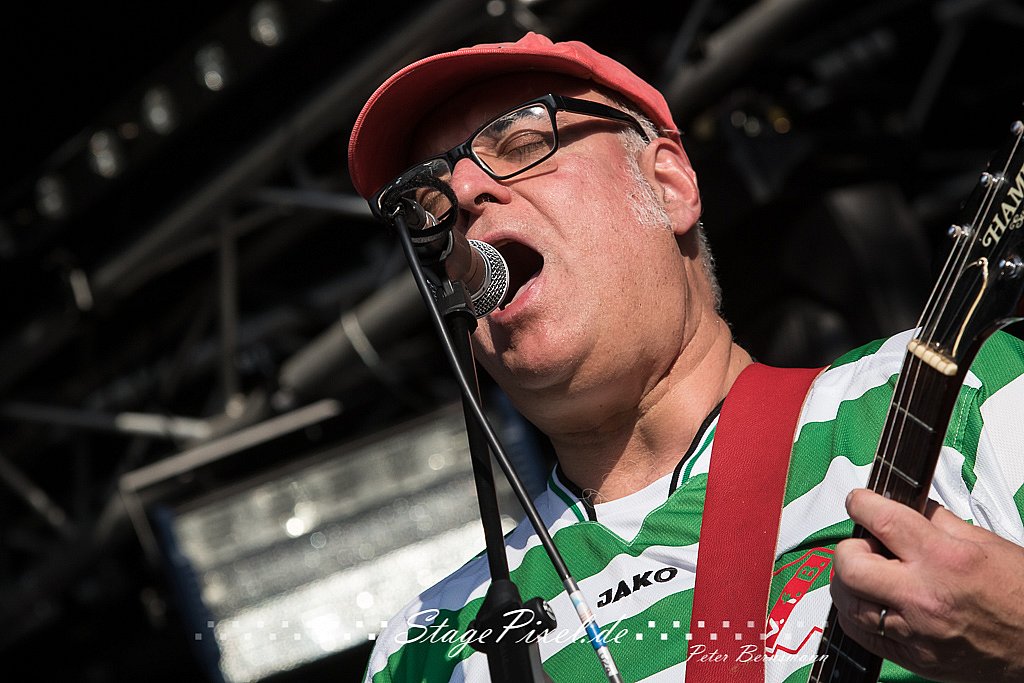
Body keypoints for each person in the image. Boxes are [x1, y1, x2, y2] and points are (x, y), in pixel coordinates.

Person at [347, 32, 1024, 682]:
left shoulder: (955, 391)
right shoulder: (423, 646)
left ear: (668, 185)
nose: (464, 197)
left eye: (522, 142)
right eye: (429, 204)